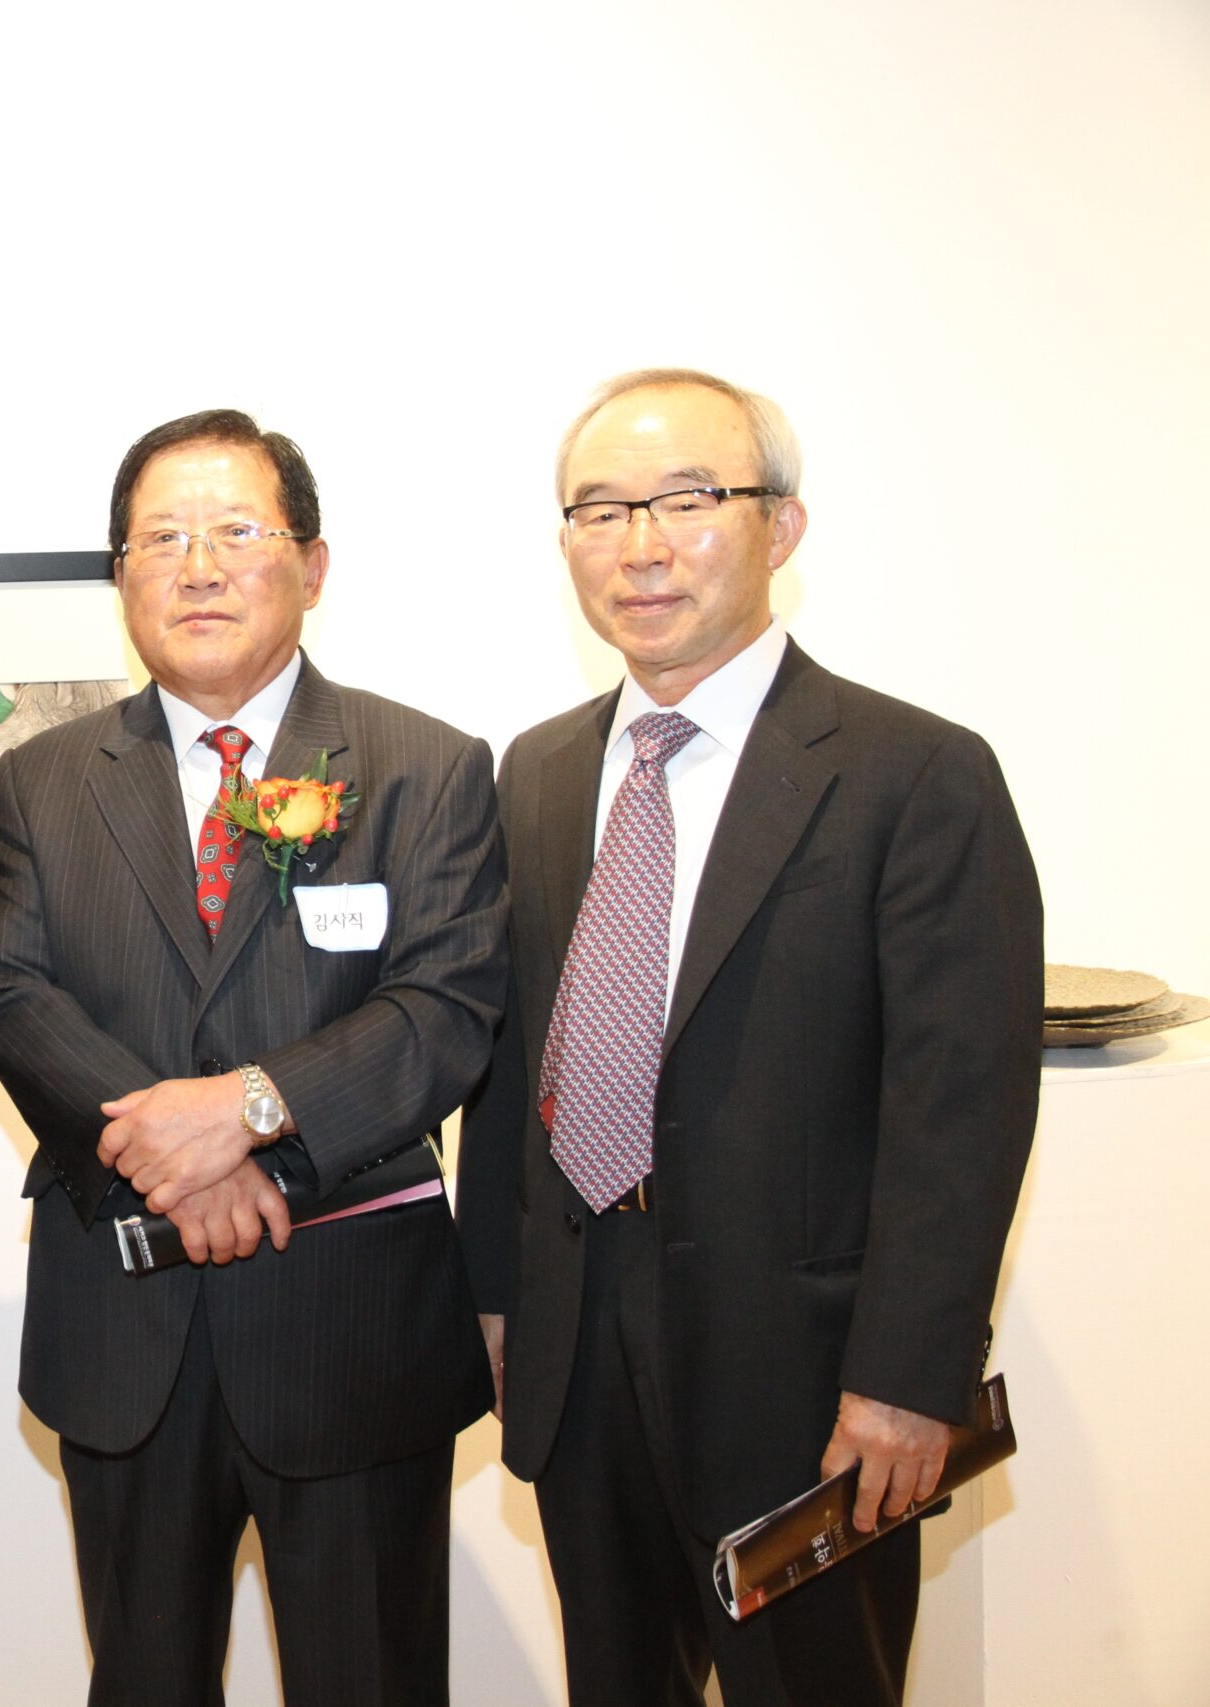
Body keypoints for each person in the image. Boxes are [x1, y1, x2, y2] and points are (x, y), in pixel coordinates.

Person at [457, 369, 1042, 1706]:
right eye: (601, 510)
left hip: (809, 1381)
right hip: (577, 1354)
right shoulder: (539, 770)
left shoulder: (914, 773)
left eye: (687, 500)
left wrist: (908, 1379)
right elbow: (515, 1059)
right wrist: (496, 1292)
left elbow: (961, 1110)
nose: (642, 545)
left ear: (781, 527)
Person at [0, 409, 505, 1707]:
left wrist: (253, 1111)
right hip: (126, 1326)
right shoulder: (45, 778)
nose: (197, 567)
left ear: (311, 566)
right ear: (121, 578)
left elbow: (445, 1008)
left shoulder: (424, 767)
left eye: (236, 532)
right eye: (161, 539)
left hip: (352, 1334)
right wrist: (179, 1158)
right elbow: (15, 993)